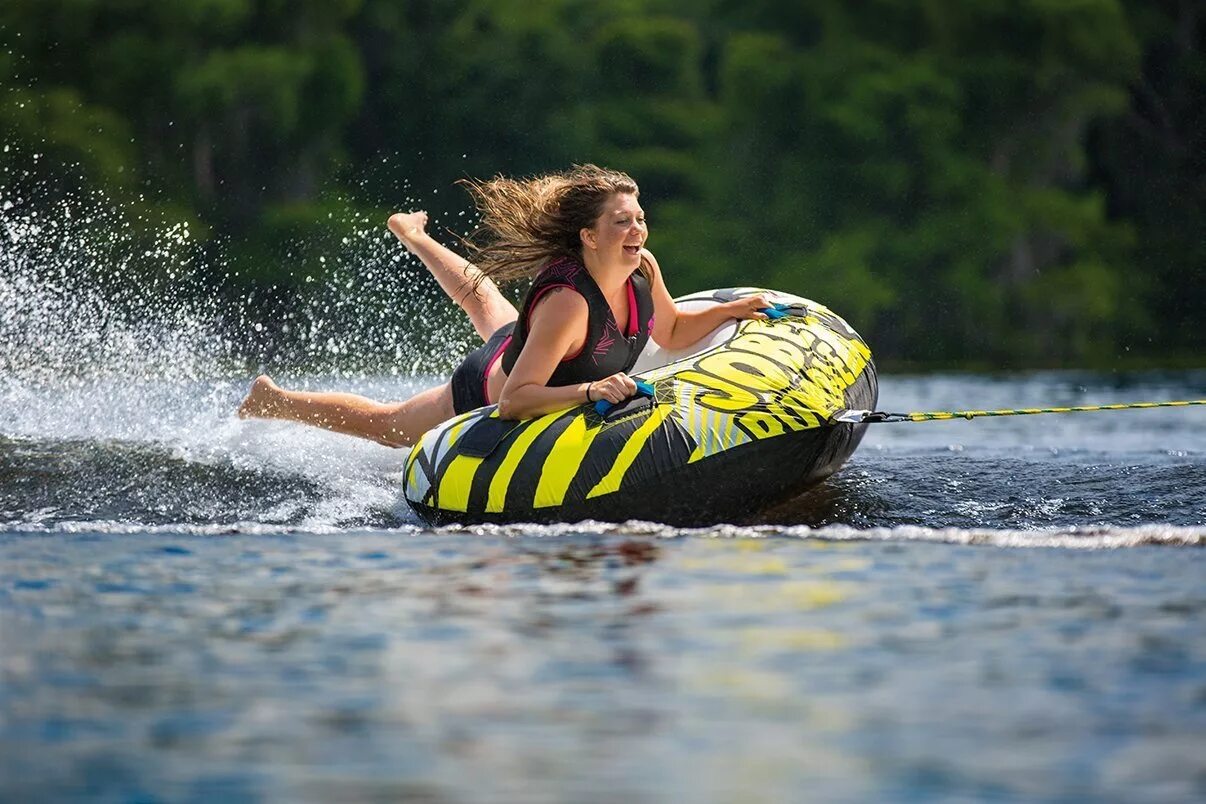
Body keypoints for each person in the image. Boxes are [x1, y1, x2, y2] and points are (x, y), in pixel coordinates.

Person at [237, 164, 768, 446]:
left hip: (545, 346)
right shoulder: (567, 306)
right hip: (490, 382)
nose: (637, 229)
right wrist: (592, 390)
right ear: (589, 235)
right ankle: (275, 400)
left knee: (488, 303)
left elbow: (672, 330)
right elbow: (516, 401)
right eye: (621, 221)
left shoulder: (642, 267)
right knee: (389, 426)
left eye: (639, 217)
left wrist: (730, 311)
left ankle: (416, 238)